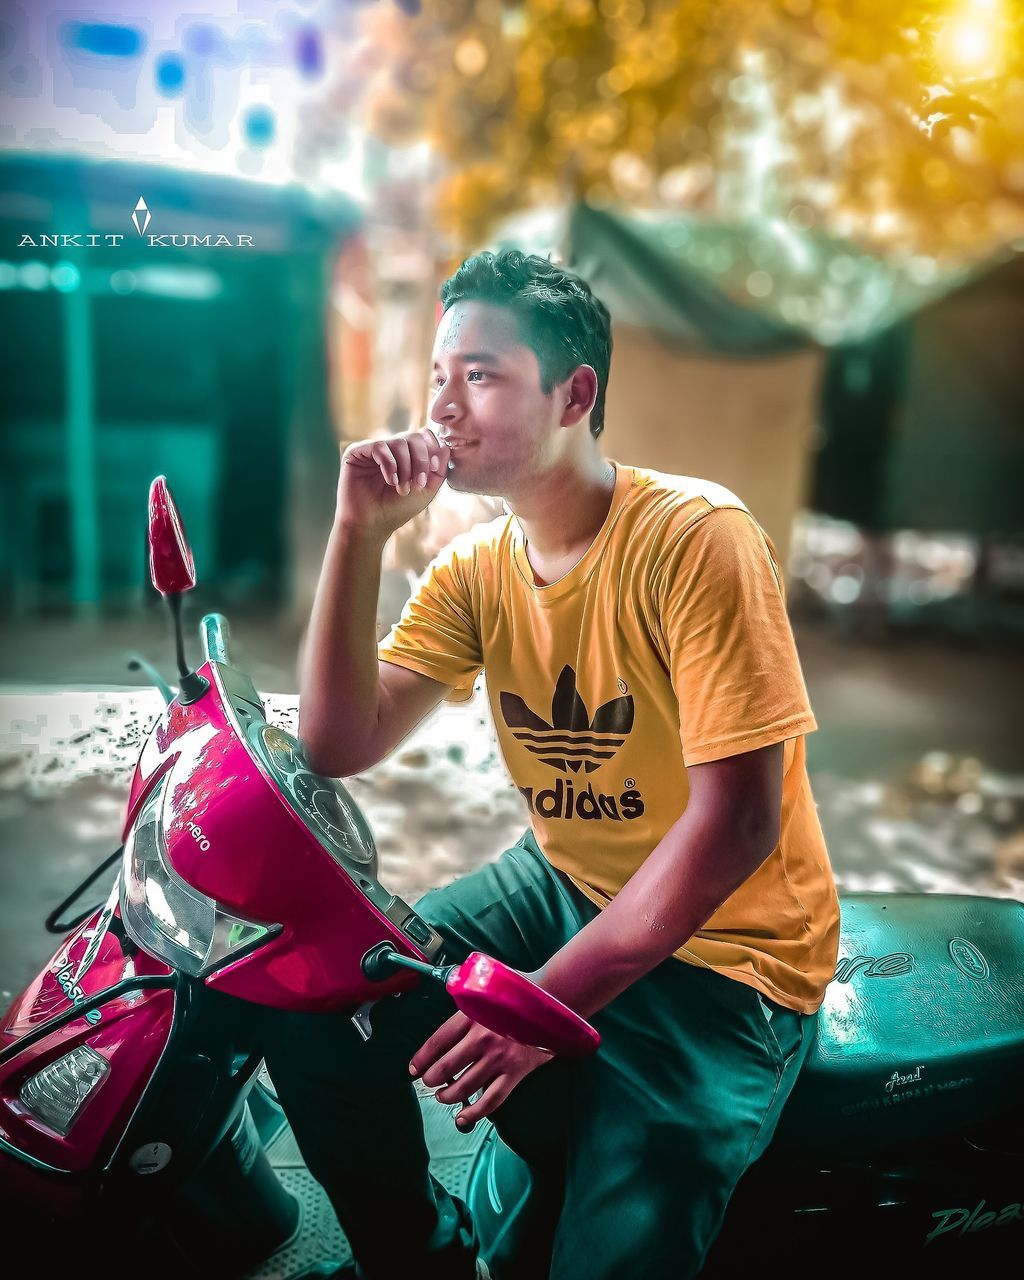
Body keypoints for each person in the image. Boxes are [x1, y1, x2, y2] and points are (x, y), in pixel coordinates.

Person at [282, 250, 841, 1280]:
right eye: (438, 377)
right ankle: (422, 1253)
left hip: (731, 958)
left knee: (618, 1242)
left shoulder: (694, 537)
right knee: (315, 988)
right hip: (562, 886)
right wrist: (355, 531)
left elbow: (736, 823)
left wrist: (544, 1005)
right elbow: (336, 742)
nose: (443, 406)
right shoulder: (474, 571)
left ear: (573, 393)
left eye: (480, 375)